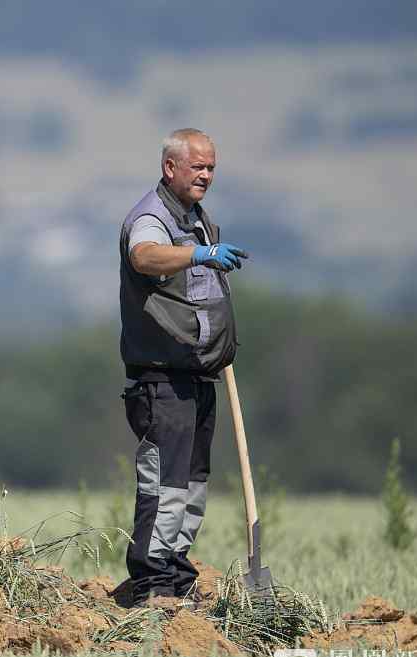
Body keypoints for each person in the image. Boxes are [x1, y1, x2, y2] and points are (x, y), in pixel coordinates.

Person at [113, 128, 248, 606]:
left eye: (211, 167)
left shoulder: (197, 219)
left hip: (198, 376)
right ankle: (152, 583)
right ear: (171, 168)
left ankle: (176, 575)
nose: (207, 175)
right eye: (198, 167)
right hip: (162, 380)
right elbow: (145, 256)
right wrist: (200, 253)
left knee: (191, 486)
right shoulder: (151, 217)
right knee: (164, 484)